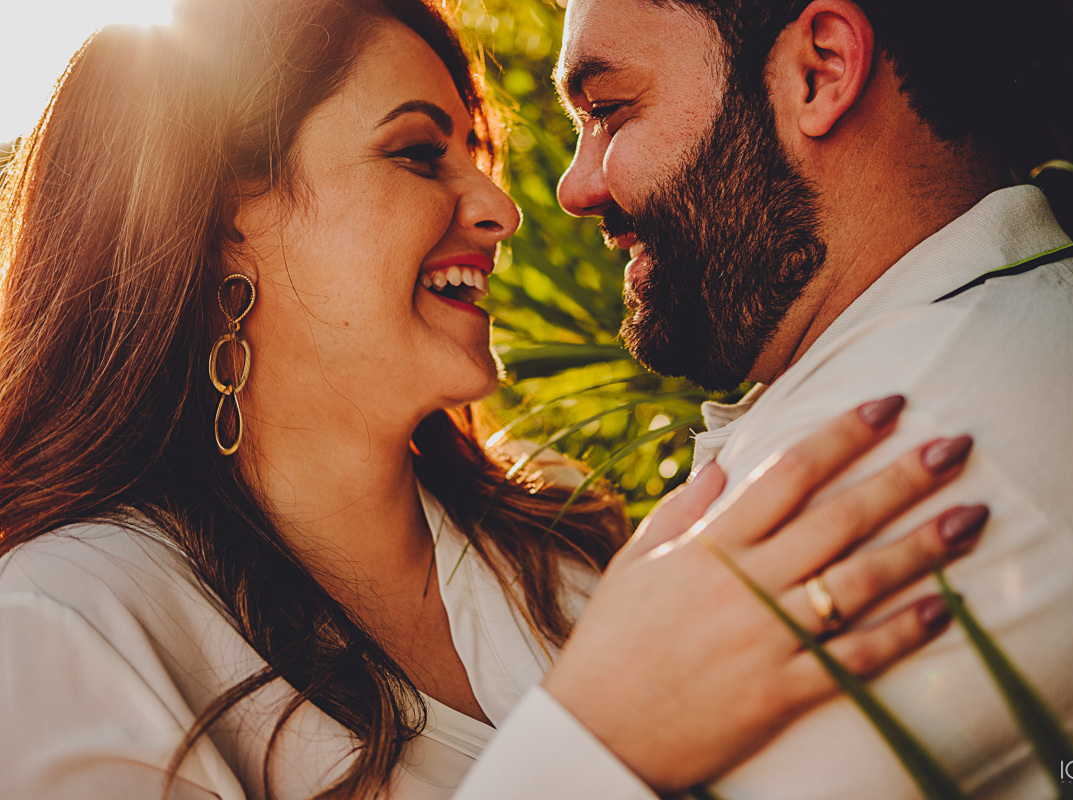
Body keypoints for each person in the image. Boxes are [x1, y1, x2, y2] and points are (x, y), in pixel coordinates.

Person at [0, 1, 989, 798]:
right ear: (225, 219)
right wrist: (595, 740)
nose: (502, 208)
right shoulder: (65, 628)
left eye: (477, 153)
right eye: (420, 153)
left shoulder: (560, 540)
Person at [553, 0, 1073, 797]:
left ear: (819, 71)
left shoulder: (893, 473)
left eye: (609, 110)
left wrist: (578, 730)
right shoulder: (1016, 330)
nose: (575, 187)